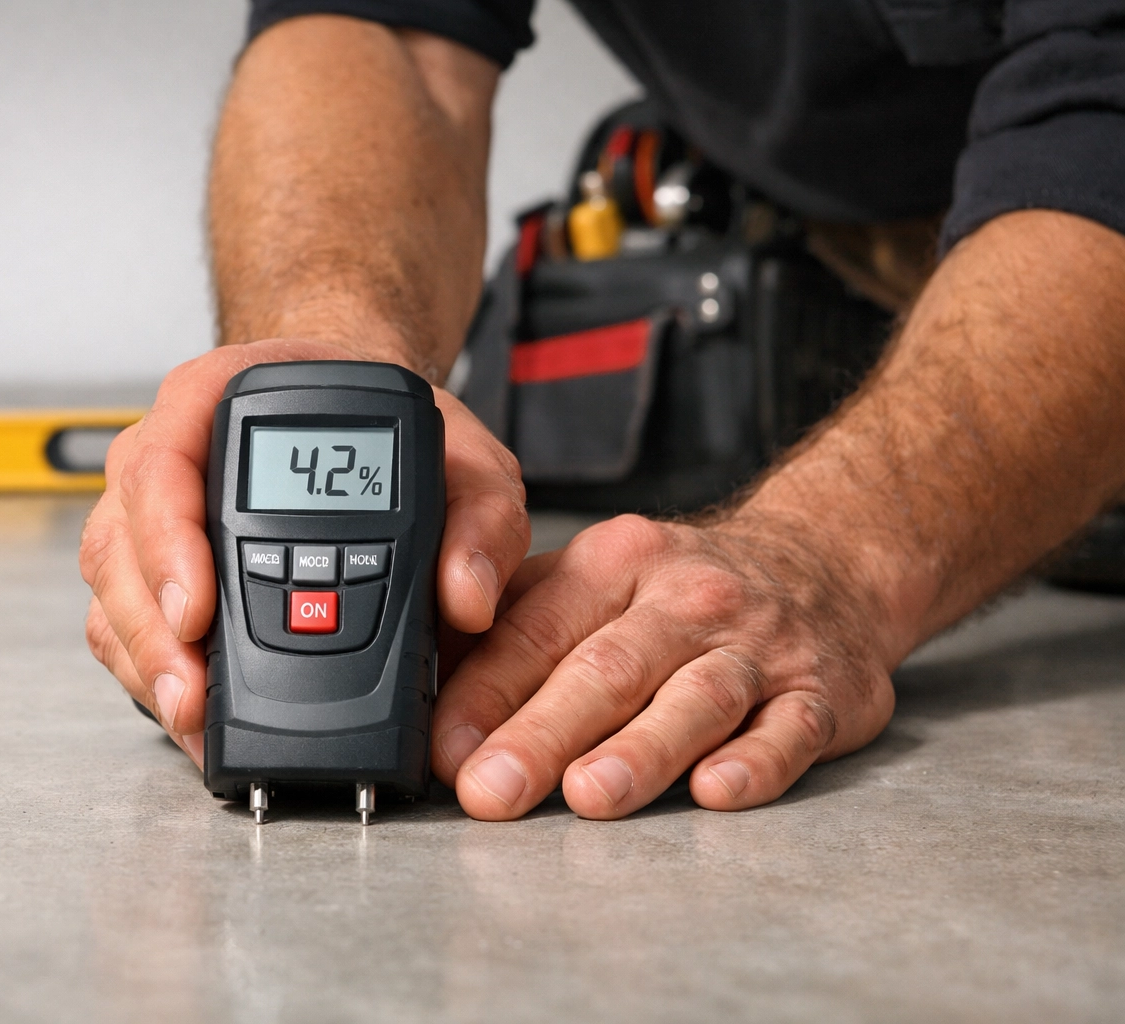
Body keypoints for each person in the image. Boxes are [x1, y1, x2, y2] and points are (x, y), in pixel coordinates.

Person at [80, 1, 1125, 821]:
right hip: (849, 240)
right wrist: (329, 362)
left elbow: (1103, 128)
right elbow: (382, 26)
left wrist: (836, 554)